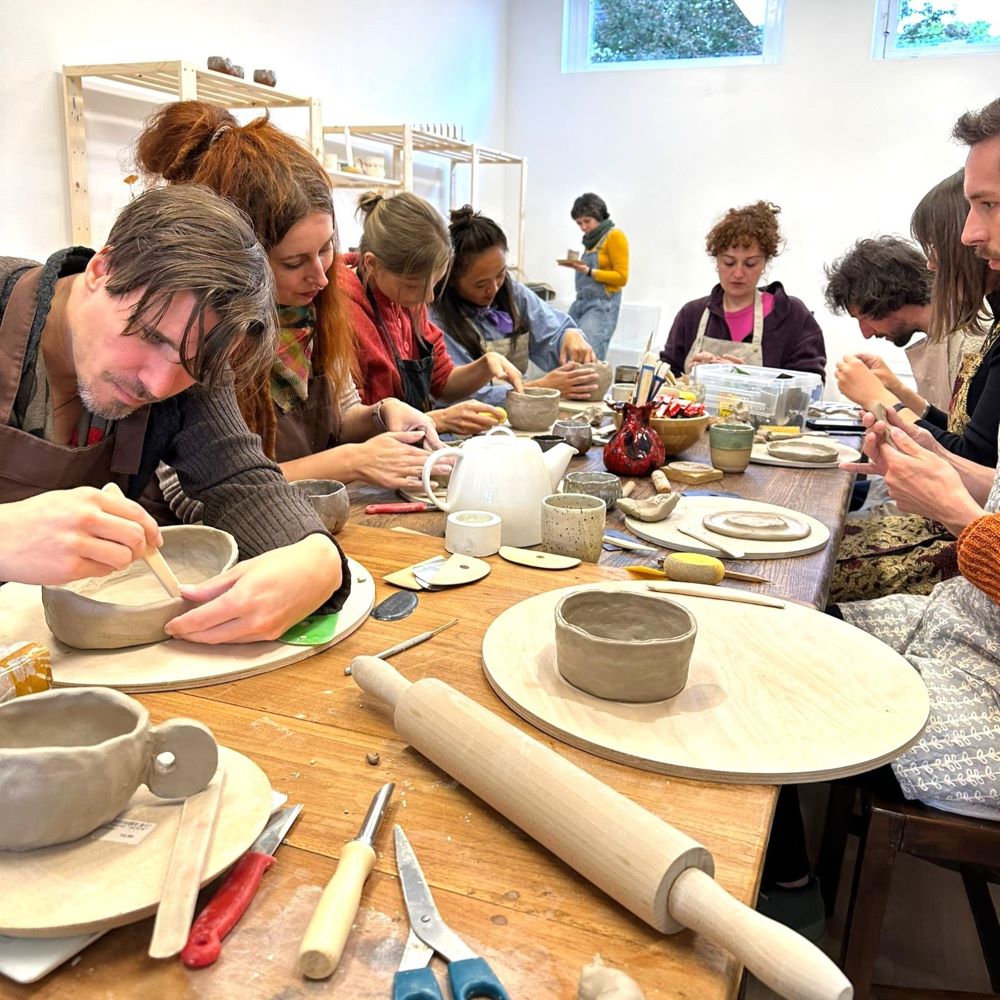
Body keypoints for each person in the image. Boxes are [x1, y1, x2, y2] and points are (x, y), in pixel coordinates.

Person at [761, 99, 1000, 937]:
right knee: (789, 595)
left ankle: (788, 875)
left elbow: (976, 492)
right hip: (969, 620)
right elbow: (981, 463)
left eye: (989, 207)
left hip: (984, 668)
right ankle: (789, 854)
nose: (970, 239)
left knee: (790, 604)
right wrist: (909, 429)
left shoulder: (973, 336)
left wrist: (953, 509)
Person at [0, 186, 347, 643]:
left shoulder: (192, 351)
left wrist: (317, 556)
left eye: (191, 367)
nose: (159, 385)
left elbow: (238, 480)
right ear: (102, 270)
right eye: (150, 338)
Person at [134, 101, 442, 494]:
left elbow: (343, 415)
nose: (321, 277)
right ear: (239, 257)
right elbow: (188, 494)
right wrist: (349, 461)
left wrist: (383, 415)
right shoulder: (196, 334)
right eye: (294, 261)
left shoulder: (307, 316)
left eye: (326, 249)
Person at [834, 170, 999, 467]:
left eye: (935, 248)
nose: (931, 264)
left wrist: (879, 398)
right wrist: (898, 392)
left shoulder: (978, 333)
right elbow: (960, 433)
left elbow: (971, 457)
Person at [342, 192, 525, 437]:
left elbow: (443, 382)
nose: (428, 297)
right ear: (372, 264)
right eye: (413, 285)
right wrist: (437, 420)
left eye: (435, 284)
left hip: (407, 453)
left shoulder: (407, 299)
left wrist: (485, 366)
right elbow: (345, 427)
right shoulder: (342, 309)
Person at [431, 206, 599, 407]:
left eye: (500, 274)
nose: (493, 289)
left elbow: (553, 332)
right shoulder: (436, 319)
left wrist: (570, 335)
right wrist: (538, 388)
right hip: (464, 427)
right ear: (451, 279)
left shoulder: (512, 294)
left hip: (518, 417)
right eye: (480, 284)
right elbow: (458, 394)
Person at [661, 201, 826, 380]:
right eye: (729, 262)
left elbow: (810, 387)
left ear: (764, 263)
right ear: (716, 261)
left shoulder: (791, 316)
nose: (738, 273)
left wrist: (748, 379)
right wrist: (689, 379)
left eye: (750, 263)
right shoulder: (691, 315)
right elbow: (663, 379)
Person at [823, 235, 983, 412]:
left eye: (863, 318)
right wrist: (894, 387)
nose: (866, 333)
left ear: (889, 300)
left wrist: (876, 397)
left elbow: (959, 437)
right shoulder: (942, 333)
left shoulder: (972, 337)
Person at [558, 192, 629, 360]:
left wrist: (589, 271)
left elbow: (622, 277)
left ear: (599, 216)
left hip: (601, 304)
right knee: (565, 349)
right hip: (581, 302)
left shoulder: (614, 236)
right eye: (579, 223)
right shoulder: (590, 243)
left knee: (588, 357)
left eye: (587, 221)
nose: (583, 227)